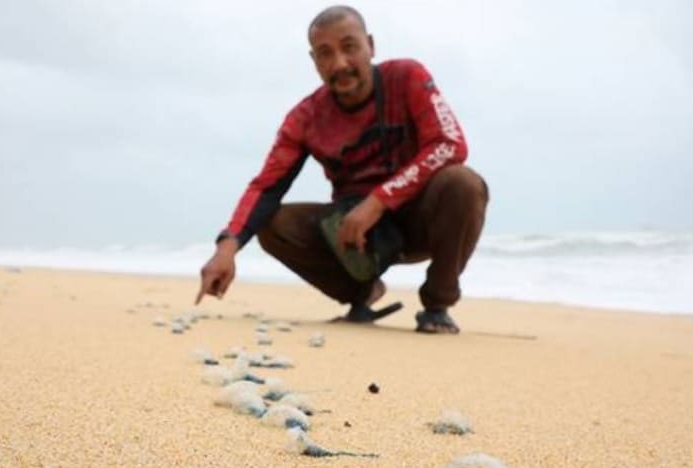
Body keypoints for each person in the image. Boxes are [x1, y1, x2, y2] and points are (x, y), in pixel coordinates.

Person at [196, 5, 489, 334]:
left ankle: (437, 304)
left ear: (371, 46)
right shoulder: (304, 117)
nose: (339, 64)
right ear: (314, 61)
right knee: (274, 224)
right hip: (354, 239)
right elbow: (266, 186)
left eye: (349, 47)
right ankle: (360, 294)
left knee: (463, 183)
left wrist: (377, 202)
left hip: (419, 218)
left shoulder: (408, 77)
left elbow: (450, 144)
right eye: (325, 53)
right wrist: (226, 249)